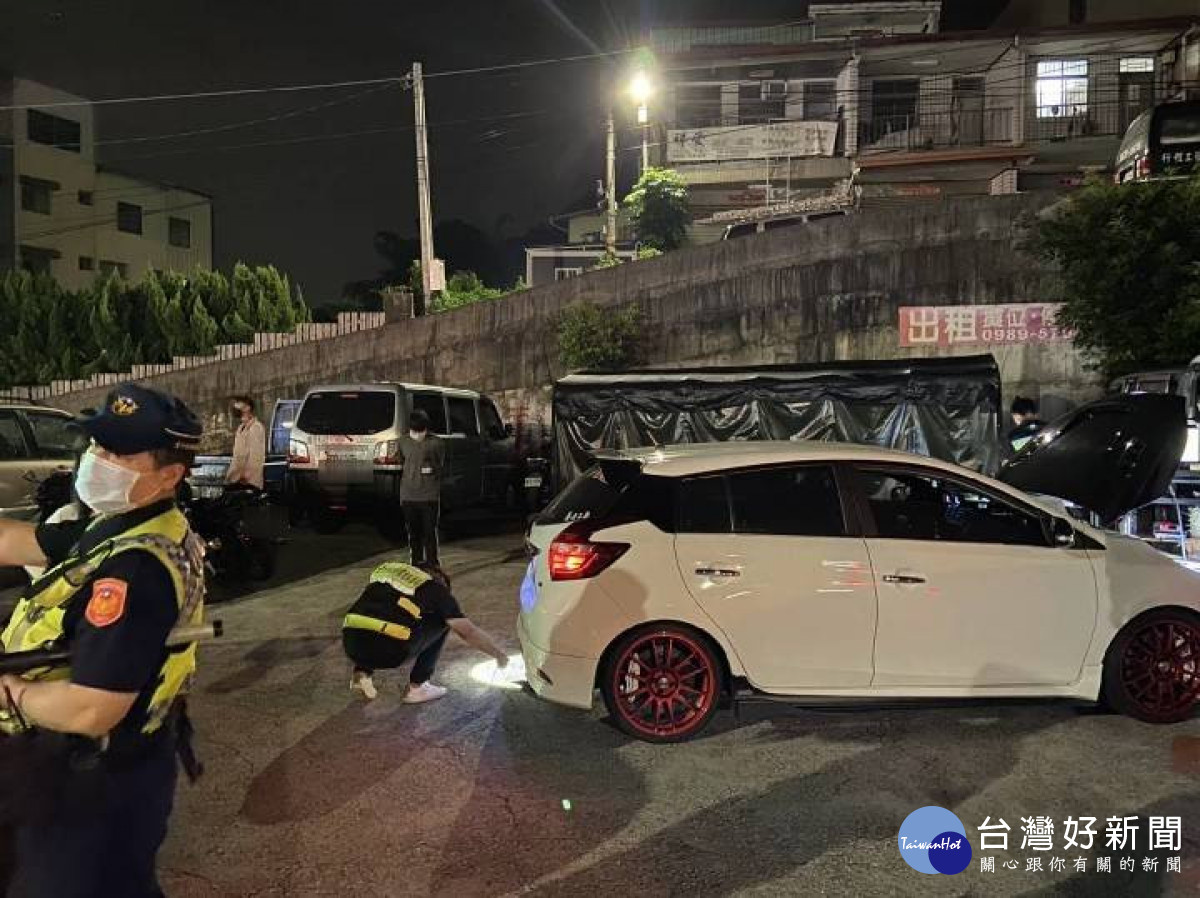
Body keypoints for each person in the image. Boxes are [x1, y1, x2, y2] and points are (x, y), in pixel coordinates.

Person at [0, 383, 207, 898]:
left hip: (94, 778)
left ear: (170, 474)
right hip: (77, 768)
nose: (98, 460)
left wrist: (11, 692)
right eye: (96, 445)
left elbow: (93, 709)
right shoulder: (114, 521)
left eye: (118, 452)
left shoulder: (135, 571)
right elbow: (16, 541)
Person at [344, 560, 507, 702]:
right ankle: (418, 687)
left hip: (351, 643)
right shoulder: (435, 589)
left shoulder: (388, 570)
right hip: (390, 652)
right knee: (443, 621)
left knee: (378, 615)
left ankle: (361, 673)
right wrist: (498, 654)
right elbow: (468, 632)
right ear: (440, 580)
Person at [398, 408, 445, 566]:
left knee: (429, 533)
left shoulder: (436, 443)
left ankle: (432, 565)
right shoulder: (403, 442)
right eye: (415, 430)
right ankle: (415, 564)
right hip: (408, 496)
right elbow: (400, 462)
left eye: (421, 430)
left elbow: (440, 465)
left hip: (429, 496)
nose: (418, 434)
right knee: (413, 535)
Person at [225, 394, 265, 491]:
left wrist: (246, 475)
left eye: (239, 403)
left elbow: (256, 455)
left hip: (247, 481)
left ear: (247, 407)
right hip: (236, 478)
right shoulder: (241, 428)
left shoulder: (256, 427)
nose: (236, 405)